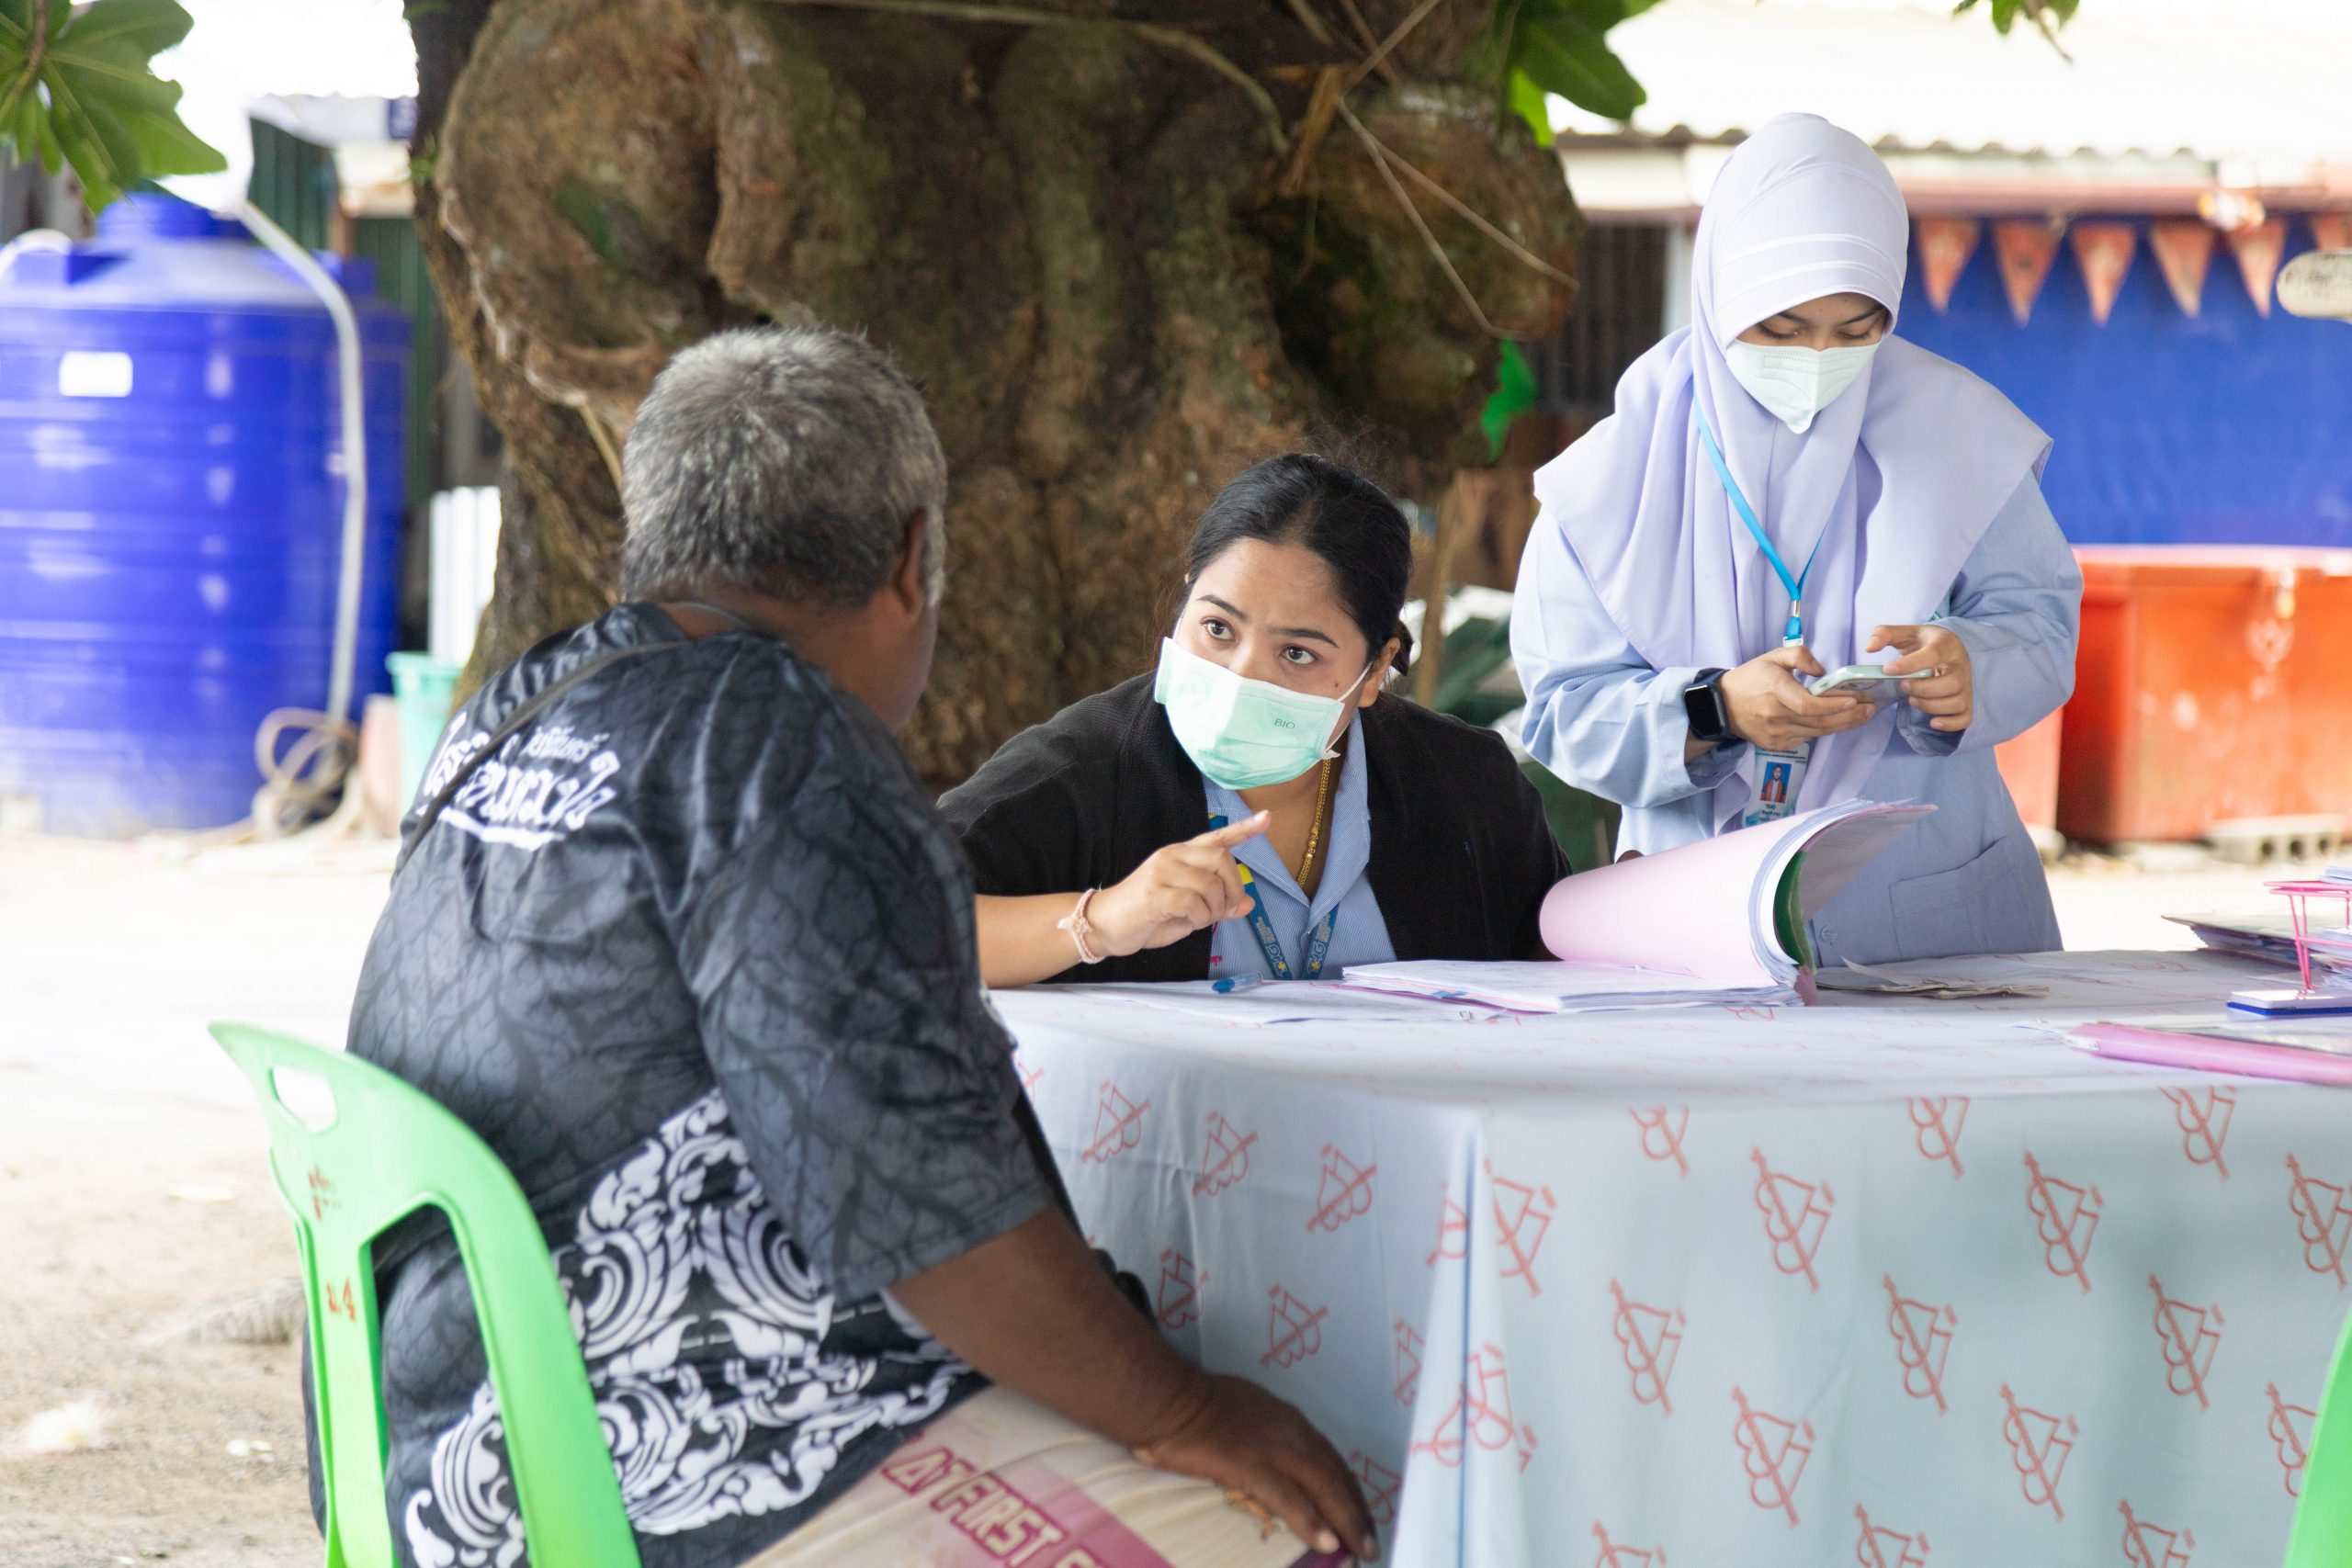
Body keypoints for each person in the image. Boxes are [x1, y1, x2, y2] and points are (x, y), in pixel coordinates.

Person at [325, 326, 1377, 1568]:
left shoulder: (526, 702)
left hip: (438, 1432)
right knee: (1300, 1526)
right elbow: (922, 1208)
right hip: (636, 1463)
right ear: (912, 559)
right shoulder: (787, 752)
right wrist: (1183, 1409)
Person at [1510, 114, 2081, 964]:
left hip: (1932, 908)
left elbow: (2040, 622)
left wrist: (1973, 667)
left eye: (1855, 331)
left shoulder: (1963, 435)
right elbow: (1563, 709)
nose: (1816, 355)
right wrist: (1715, 710)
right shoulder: (1610, 478)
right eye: (1780, 329)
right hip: (1694, 916)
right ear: (1720, 294)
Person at [942, 454, 1567, 987]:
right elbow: (902, 921)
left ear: (1376, 669)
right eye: (1218, 628)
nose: (1241, 676)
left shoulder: (1469, 788)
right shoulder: (1082, 773)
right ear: (1187, 593)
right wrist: (1097, 921)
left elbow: (1558, 957)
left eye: (1297, 653)